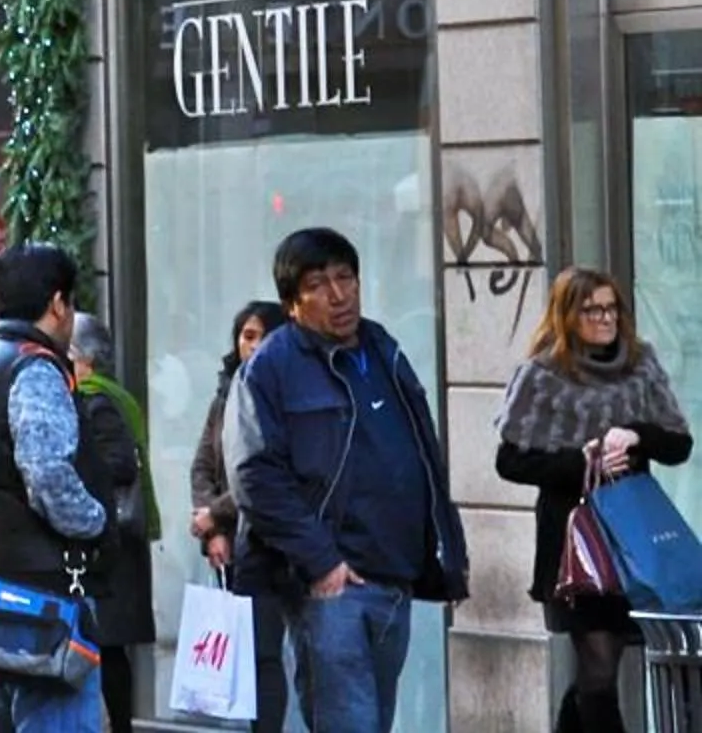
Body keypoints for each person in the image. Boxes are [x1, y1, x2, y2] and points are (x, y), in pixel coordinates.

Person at [230, 226, 468, 733]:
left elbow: (422, 455)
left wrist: (444, 553)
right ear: (292, 302)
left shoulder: (384, 349)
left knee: (375, 721)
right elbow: (254, 477)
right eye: (318, 284)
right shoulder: (271, 368)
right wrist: (322, 564)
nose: (338, 295)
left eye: (346, 278)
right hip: (328, 585)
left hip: (395, 575)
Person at [495, 267, 693, 733]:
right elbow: (510, 461)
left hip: (635, 535)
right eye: (592, 309)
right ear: (567, 316)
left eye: (611, 308)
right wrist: (579, 461)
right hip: (575, 540)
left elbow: (679, 445)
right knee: (599, 664)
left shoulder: (641, 365)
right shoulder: (541, 376)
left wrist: (637, 436)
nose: (605, 318)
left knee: (601, 668)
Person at [0, 242, 106, 733]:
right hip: (45, 589)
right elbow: (47, 474)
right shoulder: (35, 368)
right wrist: (97, 523)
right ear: (58, 303)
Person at [188, 299, 291, 733]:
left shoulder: (284, 395)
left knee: (266, 653)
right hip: (235, 545)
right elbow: (202, 465)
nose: (255, 345)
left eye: (264, 336)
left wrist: (216, 513)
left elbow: (265, 472)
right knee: (247, 652)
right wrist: (212, 530)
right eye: (247, 336)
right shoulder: (225, 394)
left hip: (273, 541)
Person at [69, 312, 156, 733]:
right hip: (121, 538)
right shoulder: (116, 395)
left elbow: (118, 464)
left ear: (79, 357)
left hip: (110, 539)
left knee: (105, 644)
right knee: (109, 645)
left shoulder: (94, 399)